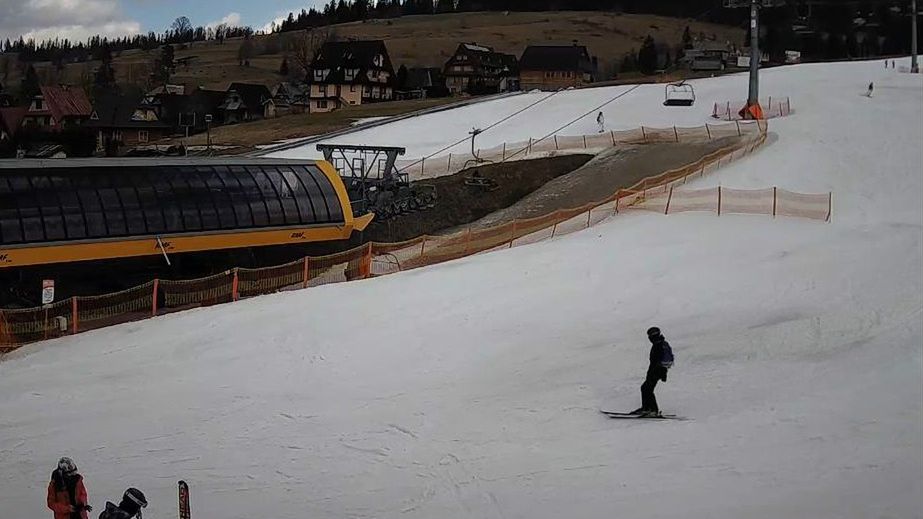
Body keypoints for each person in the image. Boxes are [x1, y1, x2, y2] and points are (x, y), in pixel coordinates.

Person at [632, 327, 672, 417]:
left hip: (656, 371)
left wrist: (661, 372)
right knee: (645, 388)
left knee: (647, 389)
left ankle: (652, 410)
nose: (649, 338)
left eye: (650, 335)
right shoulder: (659, 344)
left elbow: (658, 361)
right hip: (655, 371)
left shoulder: (659, 345)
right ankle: (647, 408)